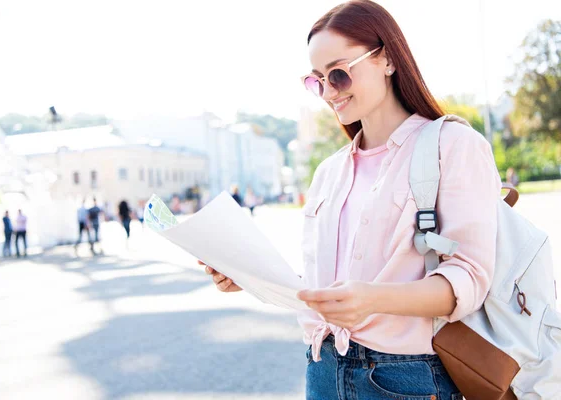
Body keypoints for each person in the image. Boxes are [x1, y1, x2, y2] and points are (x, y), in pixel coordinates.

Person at [200, 2, 502, 399]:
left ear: (388, 59)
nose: (328, 93)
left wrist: (372, 299)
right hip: (322, 368)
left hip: (403, 379)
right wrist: (252, 279)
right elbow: (327, 283)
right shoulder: (329, 171)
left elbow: (469, 280)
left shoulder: (454, 144)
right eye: (317, 81)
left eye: (339, 74)